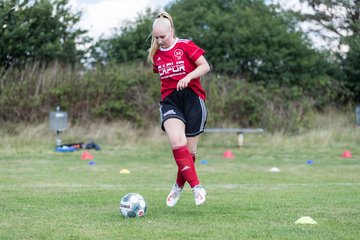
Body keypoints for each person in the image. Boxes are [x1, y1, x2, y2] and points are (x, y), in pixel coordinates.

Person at [147, 12, 210, 207]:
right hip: (170, 101)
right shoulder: (156, 55)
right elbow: (161, 74)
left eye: (162, 37)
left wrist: (188, 76)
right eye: (156, 37)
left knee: (189, 153)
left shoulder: (185, 46)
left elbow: (205, 66)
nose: (159, 41)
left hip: (192, 99)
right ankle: (197, 186)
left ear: (171, 31)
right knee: (177, 142)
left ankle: (177, 186)